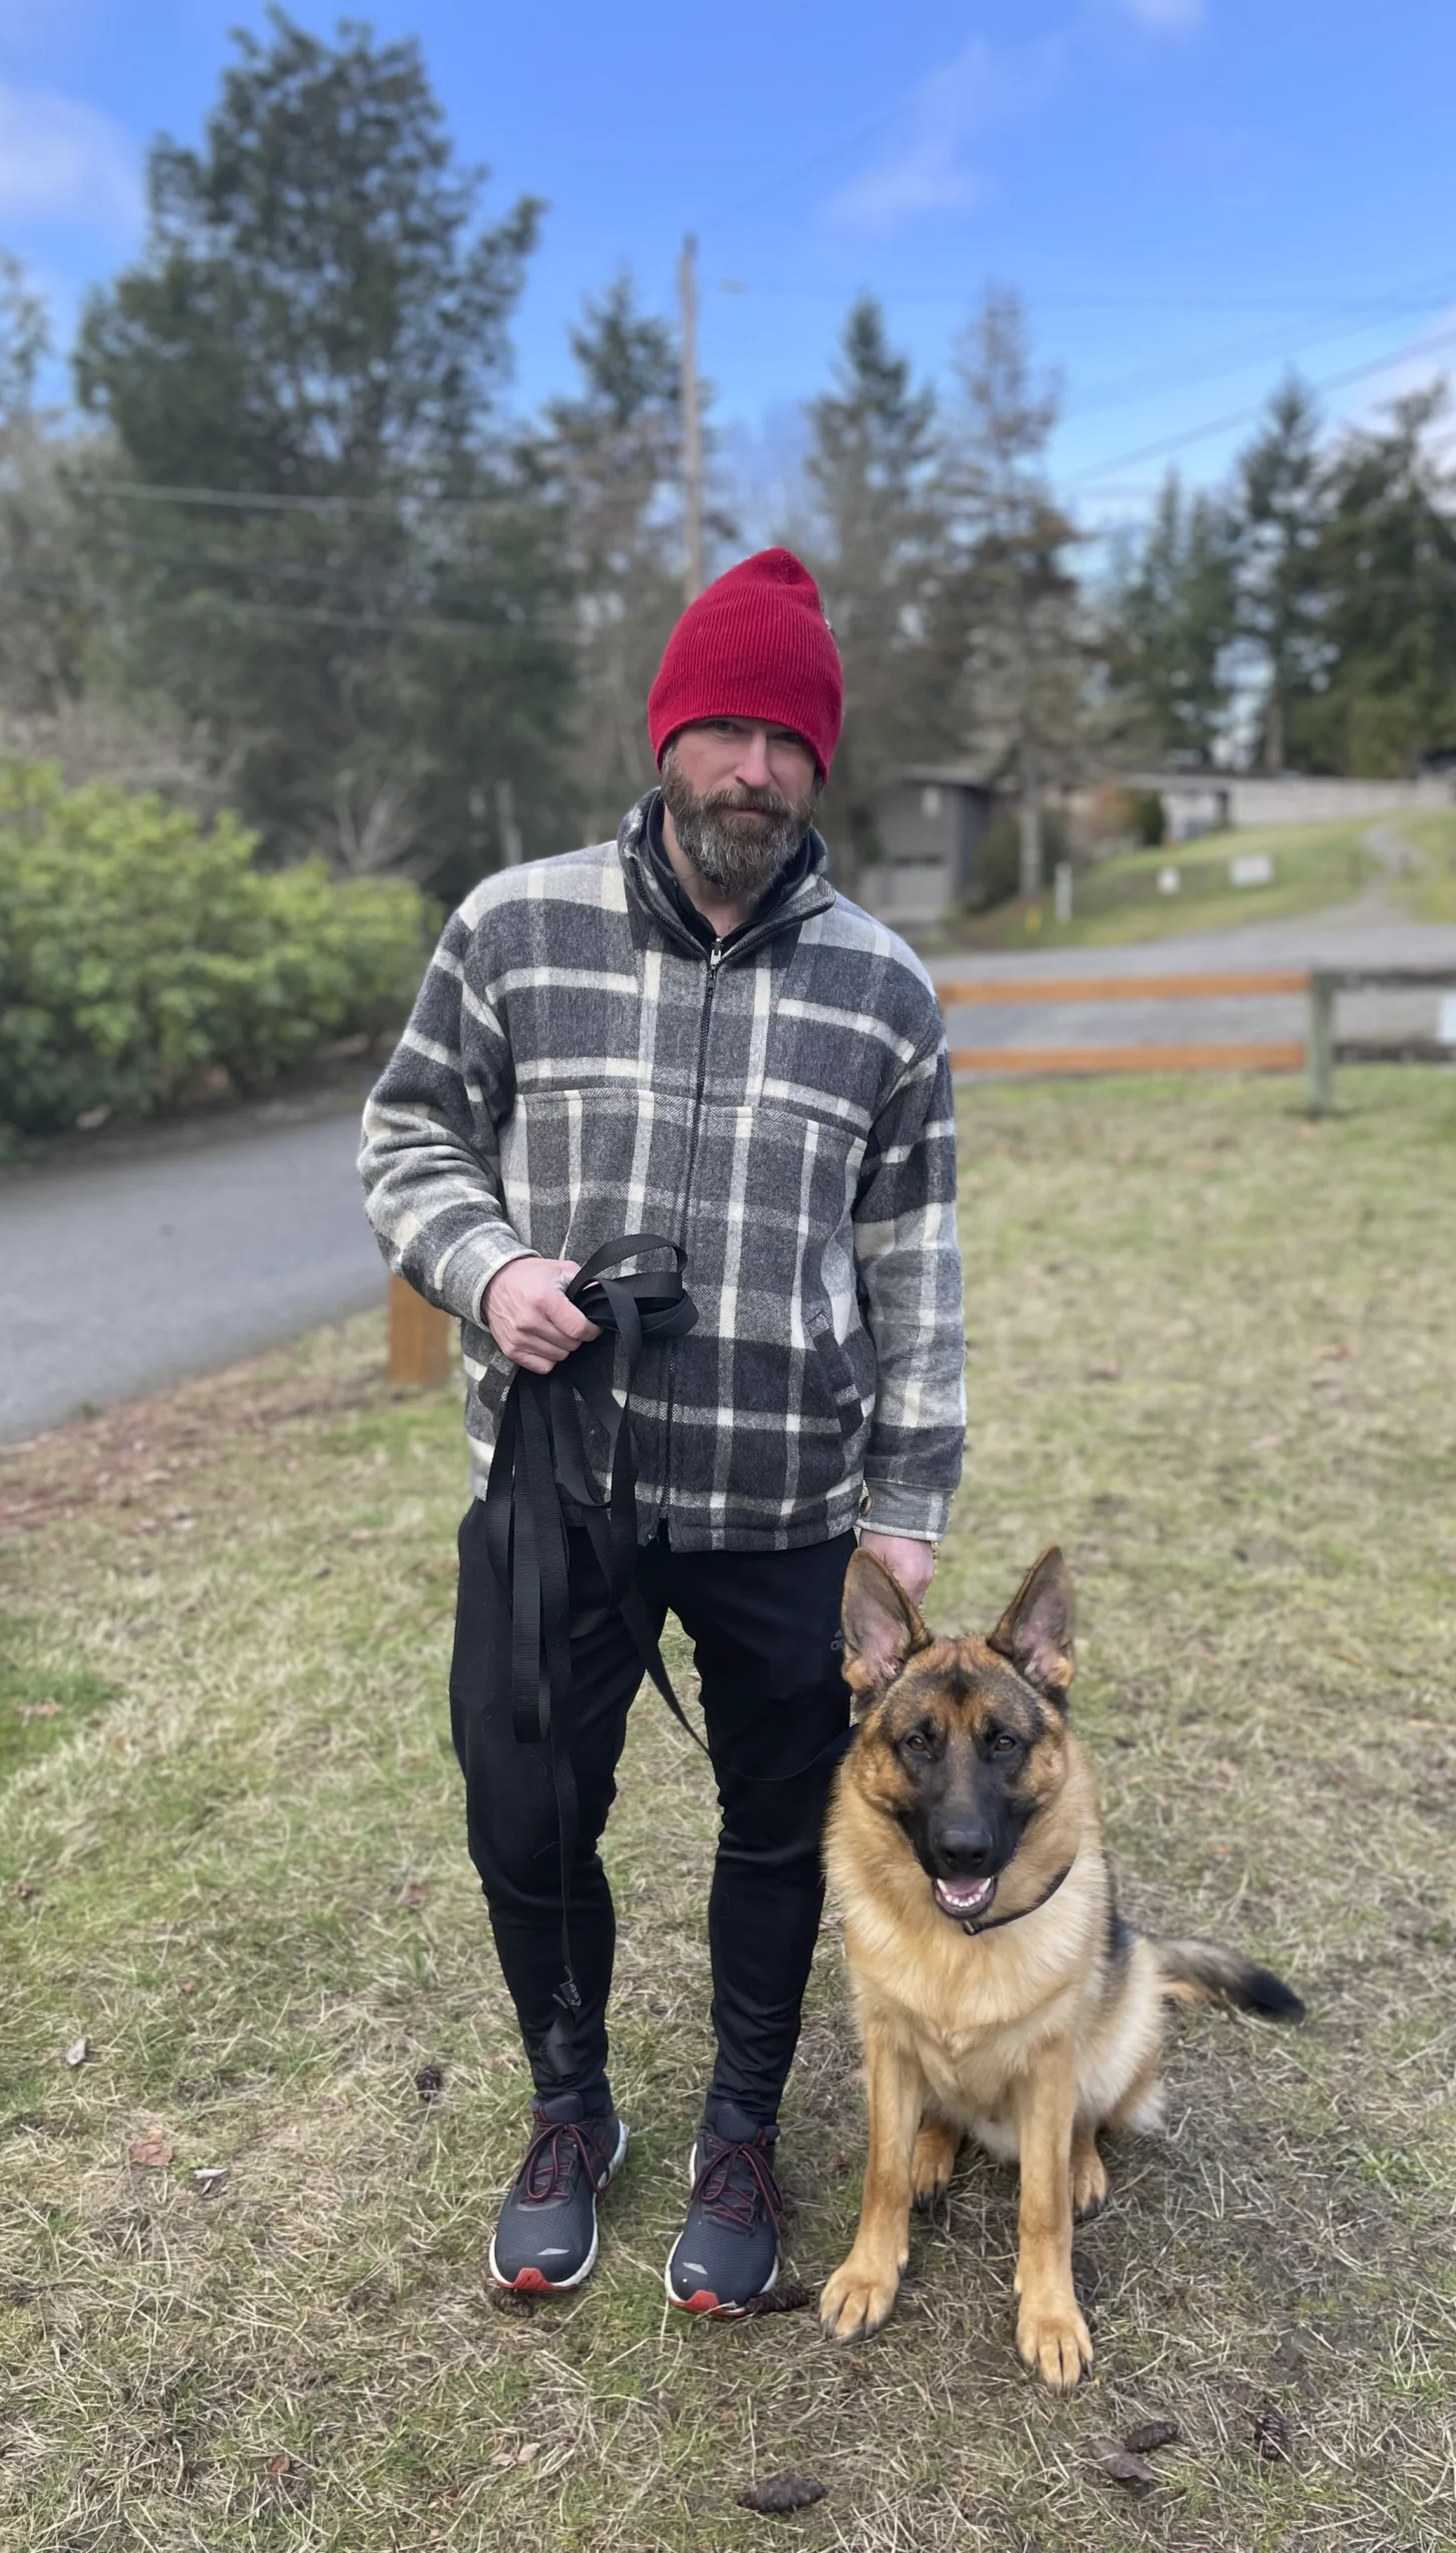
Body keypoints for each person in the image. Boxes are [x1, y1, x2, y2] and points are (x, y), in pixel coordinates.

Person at [360, 547, 964, 2313]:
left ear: (819, 766)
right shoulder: (512, 926)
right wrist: (484, 1274)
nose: (753, 768)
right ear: (666, 735)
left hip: (787, 1503)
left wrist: (908, 1498)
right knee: (525, 1810)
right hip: (562, 1491)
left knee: (787, 1823)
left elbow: (912, 1258)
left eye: (788, 737)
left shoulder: (886, 993)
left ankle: (738, 2132)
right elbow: (408, 1144)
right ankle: (571, 2108)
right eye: (724, 728)